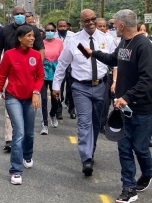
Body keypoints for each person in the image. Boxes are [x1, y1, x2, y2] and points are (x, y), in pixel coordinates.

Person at [88, 9, 152, 203]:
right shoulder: (124, 42)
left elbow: (148, 79)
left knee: (140, 148)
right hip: (123, 107)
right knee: (124, 148)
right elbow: (113, 59)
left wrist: (127, 96)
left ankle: (148, 171)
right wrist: (93, 53)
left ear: (122, 26)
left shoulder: (144, 45)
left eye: (114, 23)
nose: (112, 26)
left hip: (141, 108)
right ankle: (129, 188)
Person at [52, 9, 116, 177]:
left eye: (93, 19)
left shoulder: (107, 40)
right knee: (84, 121)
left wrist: (116, 82)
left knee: (96, 122)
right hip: (81, 87)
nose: (91, 22)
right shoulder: (74, 41)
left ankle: (91, 150)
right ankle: (86, 158)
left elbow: (116, 63)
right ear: (81, 22)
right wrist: (56, 86)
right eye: (86, 20)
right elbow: (62, 64)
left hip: (101, 86)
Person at [0, 25, 44, 185]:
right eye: (29, 36)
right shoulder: (10, 55)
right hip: (13, 97)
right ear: (20, 38)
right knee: (18, 132)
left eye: (33, 36)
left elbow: (40, 76)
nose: (32, 38)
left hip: (30, 98)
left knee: (29, 133)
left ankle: (27, 155)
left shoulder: (36, 56)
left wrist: (36, 92)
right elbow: (1, 77)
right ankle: (15, 170)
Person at [0, 6, 44, 152]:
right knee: (11, 110)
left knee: (28, 119)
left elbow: (40, 49)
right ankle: (10, 139)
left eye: (22, 13)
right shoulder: (5, 31)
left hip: (30, 75)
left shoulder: (33, 31)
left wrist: (38, 66)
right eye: (17, 14)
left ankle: (25, 145)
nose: (20, 16)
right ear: (12, 16)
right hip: (11, 73)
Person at [40, 23, 64, 135]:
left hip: (56, 72)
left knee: (56, 98)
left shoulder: (59, 43)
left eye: (52, 30)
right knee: (43, 99)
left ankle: (53, 114)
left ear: (55, 31)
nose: (49, 32)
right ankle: (44, 124)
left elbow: (63, 57)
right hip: (43, 72)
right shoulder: (41, 42)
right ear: (45, 31)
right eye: (47, 30)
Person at [54, 19, 76, 119]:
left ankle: (72, 109)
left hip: (72, 65)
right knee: (59, 88)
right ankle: (58, 110)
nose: (62, 28)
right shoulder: (53, 36)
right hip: (59, 65)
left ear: (67, 26)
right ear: (57, 27)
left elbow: (80, 48)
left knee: (71, 89)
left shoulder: (73, 36)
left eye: (64, 26)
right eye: (60, 26)